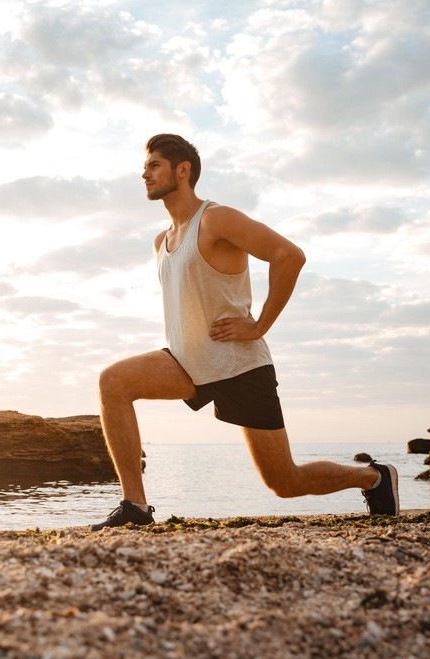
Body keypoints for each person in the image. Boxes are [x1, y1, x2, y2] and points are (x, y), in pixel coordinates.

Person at [90, 133, 399, 531]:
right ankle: (134, 504)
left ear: (182, 170)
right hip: (188, 362)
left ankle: (374, 477)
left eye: (153, 165)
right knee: (113, 382)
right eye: (145, 166)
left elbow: (290, 255)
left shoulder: (216, 219)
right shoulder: (161, 241)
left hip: (238, 365)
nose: (144, 174)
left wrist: (260, 325)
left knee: (285, 482)